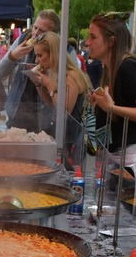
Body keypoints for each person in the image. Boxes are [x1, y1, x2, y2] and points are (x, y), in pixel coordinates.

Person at [86, 12, 136, 238]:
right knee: (129, 228)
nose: (87, 42)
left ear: (111, 41)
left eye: (93, 37)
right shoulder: (108, 68)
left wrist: (112, 108)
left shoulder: (129, 67)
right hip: (126, 161)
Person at [28, 32, 93, 167]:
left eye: (40, 55)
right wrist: (39, 84)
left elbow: (64, 109)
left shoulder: (70, 76)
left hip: (74, 141)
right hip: (64, 138)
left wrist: (48, 84)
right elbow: (50, 102)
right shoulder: (56, 73)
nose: (36, 61)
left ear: (54, 54)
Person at [0, 9, 60, 132]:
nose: (35, 33)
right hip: (16, 113)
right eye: (35, 27)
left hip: (43, 119)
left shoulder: (60, 50)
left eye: (42, 31)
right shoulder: (23, 40)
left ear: (53, 35)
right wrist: (12, 56)